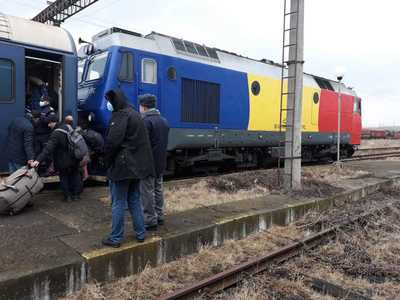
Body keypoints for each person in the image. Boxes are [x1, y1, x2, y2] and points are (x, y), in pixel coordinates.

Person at [101, 89, 155, 247]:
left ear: (115, 101)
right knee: (134, 201)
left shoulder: (121, 115)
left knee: (118, 202)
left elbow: (112, 143)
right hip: (136, 168)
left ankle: (116, 238)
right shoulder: (135, 114)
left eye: (110, 102)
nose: (109, 105)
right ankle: (140, 233)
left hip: (123, 166)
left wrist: (106, 161)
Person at [30, 115, 82, 202]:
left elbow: (48, 149)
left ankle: (68, 196)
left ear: (53, 122)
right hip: (74, 157)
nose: (48, 125)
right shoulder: (68, 127)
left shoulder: (56, 133)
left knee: (64, 177)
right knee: (75, 175)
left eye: (49, 123)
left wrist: (38, 160)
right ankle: (76, 195)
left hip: (62, 159)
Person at [138, 94, 170, 230]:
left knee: (147, 192)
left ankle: (150, 220)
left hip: (147, 163)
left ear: (144, 106)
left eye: (140, 105)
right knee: (158, 189)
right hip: (160, 162)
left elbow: (142, 145)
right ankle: (160, 215)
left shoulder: (145, 122)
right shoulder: (164, 121)